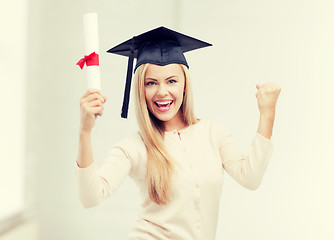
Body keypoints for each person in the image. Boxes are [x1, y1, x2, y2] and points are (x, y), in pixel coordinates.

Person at [75, 26, 281, 240]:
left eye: (171, 81)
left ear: (185, 85)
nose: (162, 92)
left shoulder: (213, 133)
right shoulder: (134, 147)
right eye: (151, 83)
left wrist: (267, 114)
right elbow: (90, 197)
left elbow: (251, 177)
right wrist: (85, 130)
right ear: (141, 90)